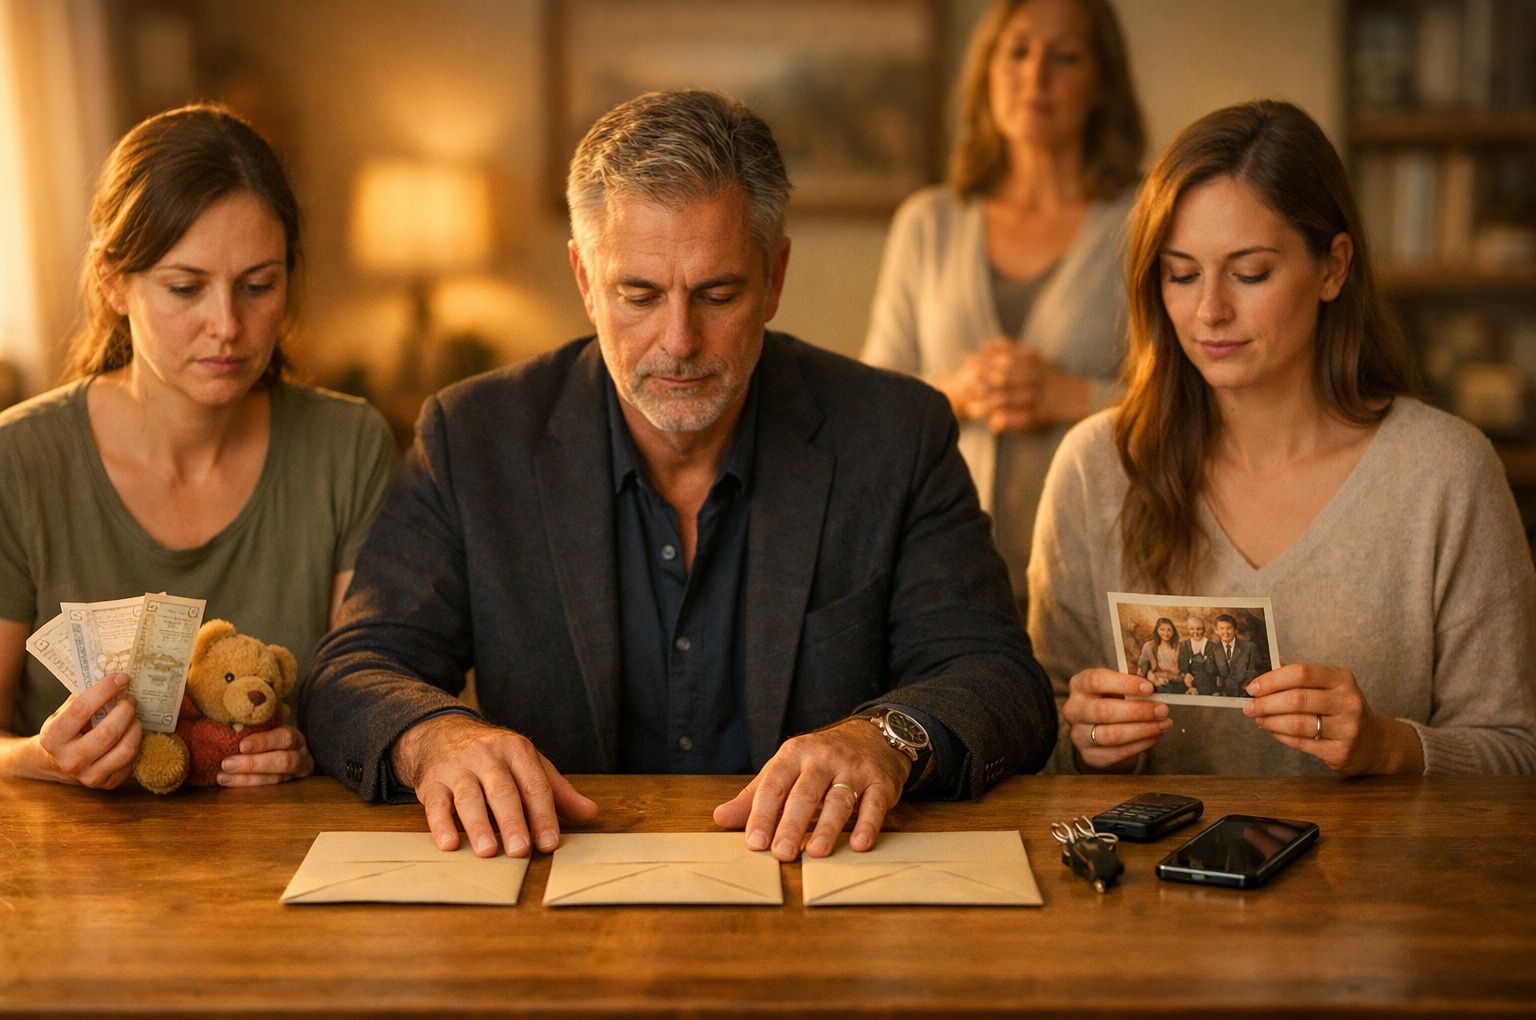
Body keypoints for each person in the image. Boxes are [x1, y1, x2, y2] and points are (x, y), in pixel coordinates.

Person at [302, 90, 1057, 863]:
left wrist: (885, 737)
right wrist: (436, 739)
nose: (679, 341)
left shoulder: (894, 433)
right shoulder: (473, 437)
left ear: (775, 277)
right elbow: (355, 670)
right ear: (584, 279)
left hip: (820, 888)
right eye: (639, 294)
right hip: (555, 901)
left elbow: (998, 677)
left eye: (718, 294)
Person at [1027, 99, 1536, 775]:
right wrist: (1081, 743)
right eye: (1181, 275)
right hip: (1147, 879)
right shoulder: (1098, 467)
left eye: (1250, 273)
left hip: (1379, 882)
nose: (1210, 310)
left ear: (1332, 268)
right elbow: (1036, 733)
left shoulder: (1445, 472)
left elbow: (1516, 751)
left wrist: (1389, 746)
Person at [0, 104, 395, 788]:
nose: (227, 326)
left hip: (284, 864)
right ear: (111, 282)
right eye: (186, 288)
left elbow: (369, 695)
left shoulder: (348, 446)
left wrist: (317, 749)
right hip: (74, 875)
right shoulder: (18, 462)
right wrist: (40, 758)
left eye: (258, 286)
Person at [861, 0, 1144, 604]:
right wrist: (959, 392)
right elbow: (871, 409)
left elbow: (1201, 402)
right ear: (987, 69)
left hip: (1108, 565)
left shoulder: (1147, 220)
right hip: (942, 573)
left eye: (1065, 56)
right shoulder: (927, 222)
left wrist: (1073, 396)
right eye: (1017, 51)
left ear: (1103, 83)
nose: (1035, 76)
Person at [1212, 614, 1260, 695]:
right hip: (1222, 695)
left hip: (1245, 694)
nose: (1225, 632)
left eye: (1229, 628)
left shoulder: (1249, 647)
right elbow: (1211, 673)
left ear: (1236, 630)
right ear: (1216, 631)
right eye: (1221, 628)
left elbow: (1255, 671)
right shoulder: (1212, 649)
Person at [1176, 616, 1218, 696]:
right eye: (1192, 629)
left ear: (1204, 629)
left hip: (1207, 685)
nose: (1195, 632)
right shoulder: (1183, 645)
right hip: (1188, 684)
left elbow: (1213, 670)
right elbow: (1182, 667)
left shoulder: (1211, 646)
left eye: (1199, 629)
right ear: (1188, 629)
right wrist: (1186, 676)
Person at [1135, 617, 1180, 691]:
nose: (1165, 633)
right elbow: (1142, 666)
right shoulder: (1149, 646)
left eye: (1169, 630)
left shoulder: (1179, 647)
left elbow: (1182, 670)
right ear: (1157, 630)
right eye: (1162, 629)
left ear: (1173, 632)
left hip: (1174, 682)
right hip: (1155, 681)